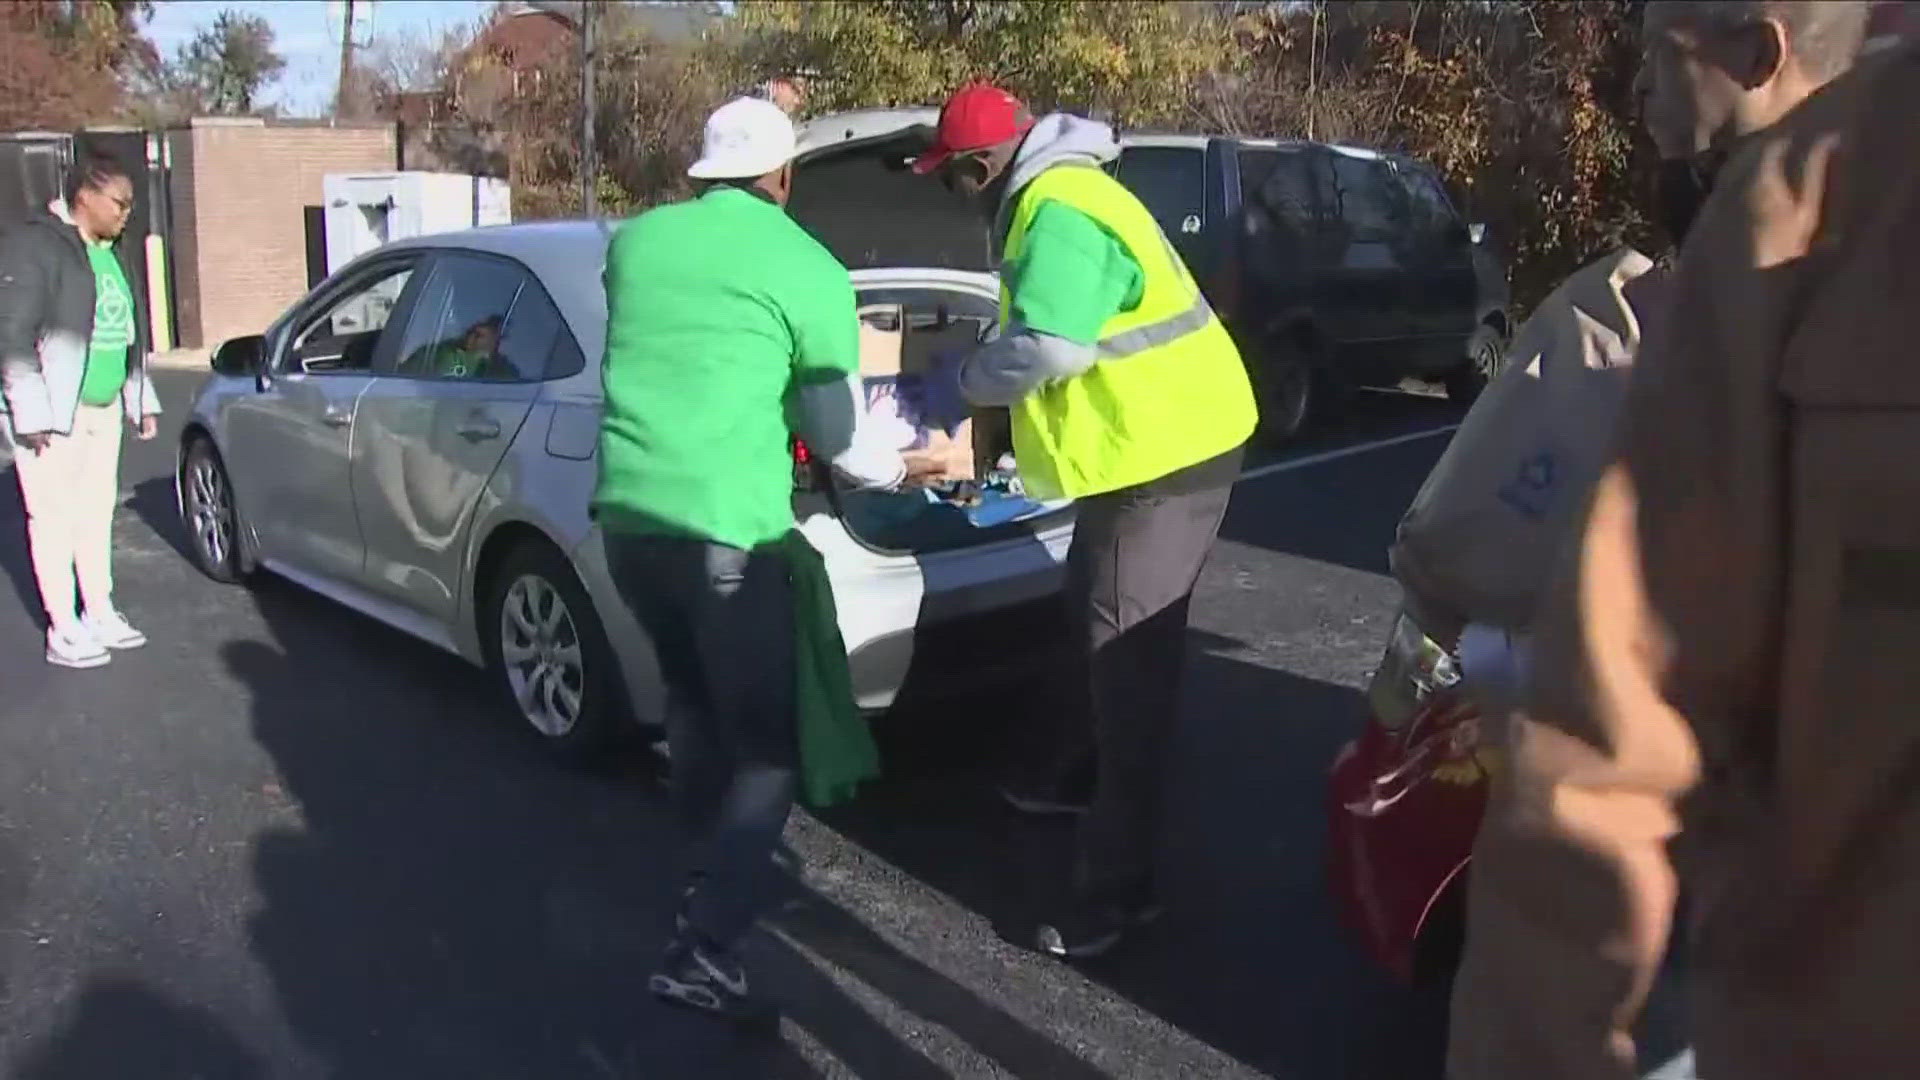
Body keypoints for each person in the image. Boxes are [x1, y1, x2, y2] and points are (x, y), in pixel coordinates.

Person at [1446, 7, 1913, 1080]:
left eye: (1664, 54)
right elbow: (1617, 721)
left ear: (1759, 52)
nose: (1639, 91)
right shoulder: (1809, 205)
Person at [593, 96, 932, 1021]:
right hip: (727, 537)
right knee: (768, 750)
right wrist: (905, 462)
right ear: (785, 178)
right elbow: (830, 430)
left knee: (692, 702)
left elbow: (692, 358)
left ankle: (701, 878)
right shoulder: (808, 267)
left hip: (628, 523)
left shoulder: (635, 244)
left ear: (704, 170)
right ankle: (705, 948)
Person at [913, 83, 1258, 958]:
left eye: (950, 177)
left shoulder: (1058, 208)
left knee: (1127, 665)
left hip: (1168, 458)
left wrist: (962, 385)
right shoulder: (1060, 195)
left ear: (982, 165)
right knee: (1090, 610)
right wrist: (993, 437)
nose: (953, 193)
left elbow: (1051, 349)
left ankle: (1117, 894)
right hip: (1144, 452)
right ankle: (1058, 776)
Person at [0, 152, 161, 668]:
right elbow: (13, 335)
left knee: (95, 515)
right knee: (53, 518)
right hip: (54, 414)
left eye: (130, 205)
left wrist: (139, 397)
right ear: (85, 196)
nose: (125, 214)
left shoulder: (115, 252)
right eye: (119, 203)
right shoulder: (37, 245)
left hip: (103, 407)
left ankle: (99, 611)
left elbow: (129, 333)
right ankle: (63, 627)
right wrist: (32, 413)